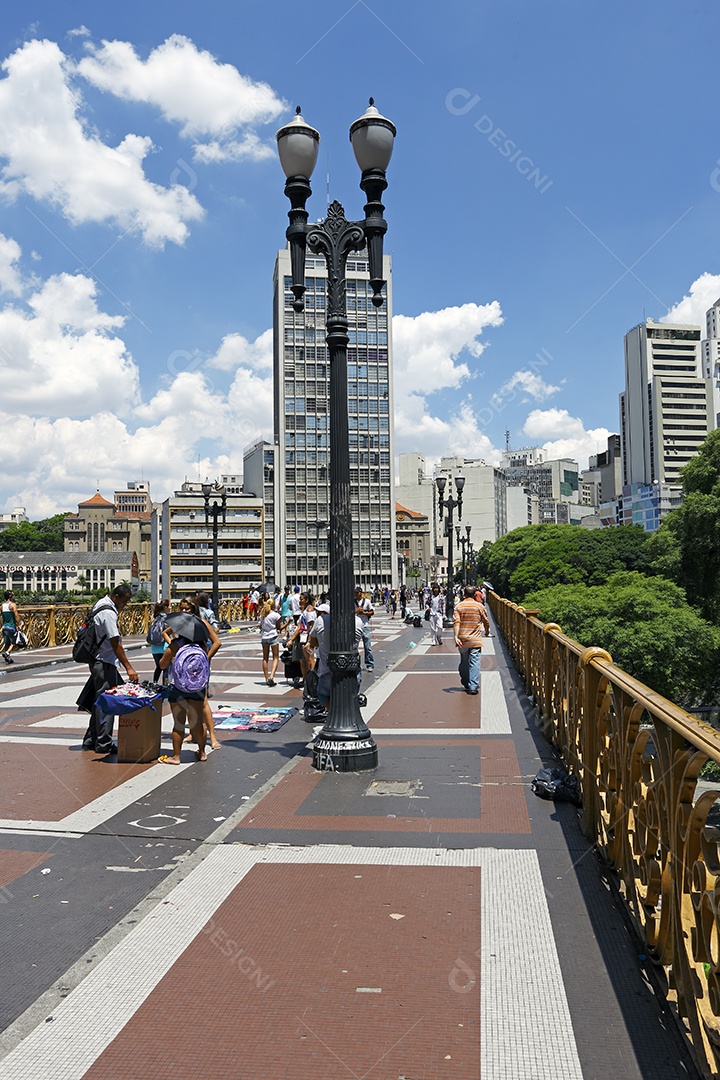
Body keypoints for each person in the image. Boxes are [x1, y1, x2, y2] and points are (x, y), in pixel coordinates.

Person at [160, 595, 221, 764]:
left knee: (179, 722)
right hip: (197, 683)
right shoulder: (201, 645)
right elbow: (215, 642)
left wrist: (174, 654)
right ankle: (202, 752)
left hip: (178, 685)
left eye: (188, 609)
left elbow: (163, 665)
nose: (185, 611)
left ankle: (177, 756)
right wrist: (204, 660)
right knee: (198, 719)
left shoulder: (176, 645)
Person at [78, 584, 138, 755]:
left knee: (99, 700)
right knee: (107, 702)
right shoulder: (109, 613)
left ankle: (91, 739)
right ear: (117, 597)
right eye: (124, 602)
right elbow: (115, 643)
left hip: (97, 659)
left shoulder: (100, 603)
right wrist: (129, 668)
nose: (125, 605)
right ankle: (104, 742)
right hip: (104, 661)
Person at [453, 585, 490, 695]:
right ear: (475, 595)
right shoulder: (480, 606)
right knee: (475, 662)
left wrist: (456, 636)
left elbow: (456, 623)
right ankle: (473, 686)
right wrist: (487, 631)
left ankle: (465, 681)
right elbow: (486, 621)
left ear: (464, 594)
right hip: (475, 639)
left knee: (464, 661)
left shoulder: (458, 607)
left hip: (462, 639)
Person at [285, 592, 317, 684]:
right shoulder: (304, 611)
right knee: (303, 660)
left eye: (301, 599)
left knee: (310, 660)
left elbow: (311, 626)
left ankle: (312, 682)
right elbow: (300, 627)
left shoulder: (310, 610)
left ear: (307, 600)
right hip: (302, 638)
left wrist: (309, 641)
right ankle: (305, 680)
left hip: (307, 639)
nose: (299, 601)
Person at [259, 595, 288, 687]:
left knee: (265, 658)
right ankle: (272, 676)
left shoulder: (262, 615)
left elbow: (260, 626)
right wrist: (288, 623)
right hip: (273, 636)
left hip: (264, 637)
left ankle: (266, 678)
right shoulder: (276, 615)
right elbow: (279, 628)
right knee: (275, 657)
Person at [149, 598, 171, 683]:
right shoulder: (167, 619)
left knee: (158, 667)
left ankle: (154, 683)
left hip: (154, 648)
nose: (170, 608)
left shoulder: (154, 618)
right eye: (169, 606)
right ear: (165, 607)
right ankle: (165, 686)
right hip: (164, 647)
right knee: (166, 668)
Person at [354, 586, 375, 670]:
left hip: (365, 625)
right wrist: (356, 611)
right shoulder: (352, 602)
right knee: (355, 646)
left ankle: (370, 664)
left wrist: (364, 612)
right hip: (355, 626)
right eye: (354, 592)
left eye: (357, 592)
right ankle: (356, 663)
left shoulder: (367, 602)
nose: (355, 594)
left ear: (361, 593)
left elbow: (372, 612)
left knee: (367, 646)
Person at [2, 590, 21, 664]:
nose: (14, 597)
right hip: (11, 626)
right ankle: (7, 653)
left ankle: (8, 658)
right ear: (10, 597)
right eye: (13, 595)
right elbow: (16, 615)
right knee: (14, 641)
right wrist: (19, 624)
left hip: (4, 627)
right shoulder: (12, 605)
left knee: (7, 643)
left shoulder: (2, 606)